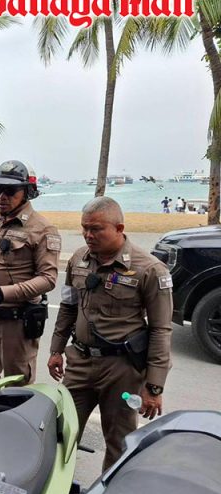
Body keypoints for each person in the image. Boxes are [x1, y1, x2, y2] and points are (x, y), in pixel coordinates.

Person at [48, 197, 172, 471]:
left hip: (121, 370)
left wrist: (154, 386)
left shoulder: (149, 269)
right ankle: (56, 490)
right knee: (60, 432)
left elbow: (161, 329)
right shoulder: (78, 260)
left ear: (119, 228)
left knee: (119, 443)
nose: (88, 235)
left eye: (96, 229)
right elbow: (68, 306)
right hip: (80, 363)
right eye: (84, 228)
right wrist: (56, 349)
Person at [0, 160, 60, 387]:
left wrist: (2, 293)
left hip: (16, 322)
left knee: (17, 389)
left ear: (27, 192)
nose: (2, 196)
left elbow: (48, 279)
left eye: (10, 191)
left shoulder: (42, 229)